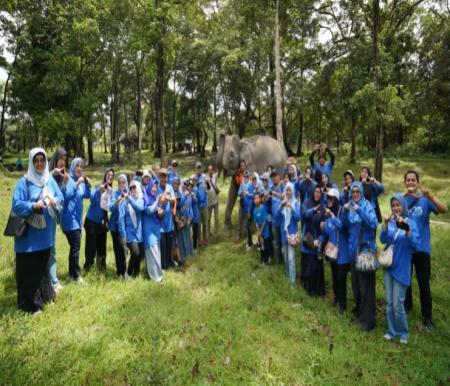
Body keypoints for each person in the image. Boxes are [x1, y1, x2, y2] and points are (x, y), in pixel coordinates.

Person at [12, 148, 63, 313]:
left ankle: (45, 297)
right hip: (28, 239)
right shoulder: (24, 182)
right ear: (31, 162)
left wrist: (55, 201)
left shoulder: (50, 180)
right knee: (29, 271)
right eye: (36, 160)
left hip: (46, 235)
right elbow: (16, 204)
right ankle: (28, 305)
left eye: (42, 160)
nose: (40, 163)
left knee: (42, 269)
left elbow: (61, 197)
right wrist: (32, 205)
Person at [403, 170, 448, 330]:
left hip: (422, 248)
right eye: (408, 180)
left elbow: (444, 210)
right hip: (407, 248)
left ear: (418, 182)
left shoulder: (425, 200)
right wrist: (404, 195)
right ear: (405, 183)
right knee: (405, 280)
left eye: (413, 180)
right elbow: (393, 215)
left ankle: (427, 317)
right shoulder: (402, 200)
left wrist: (431, 196)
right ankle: (407, 307)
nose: (410, 182)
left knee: (423, 283)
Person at [380, 194, 419, 344]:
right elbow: (383, 240)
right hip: (389, 266)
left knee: (398, 303)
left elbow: (415, 246)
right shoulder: (390, 222)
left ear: (403, 206)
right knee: (389, 302)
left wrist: (407, 229)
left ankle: (403, 333)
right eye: (393, 205)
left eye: (398, 205)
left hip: (402, 268)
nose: (395, 208)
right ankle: (391, 331)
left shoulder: (411, 223)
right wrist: (385, 224)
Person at [342, 181, 378, 331]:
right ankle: (360, 311)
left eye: (358, 192)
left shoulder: (367, 206)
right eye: (353, 192)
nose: (355, 194)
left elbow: (374, 224)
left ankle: (367, 321)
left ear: (362, 192)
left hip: (366, 252)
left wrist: (360, 211)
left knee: (366, 288)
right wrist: (344, 211)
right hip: (353, 252)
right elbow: (344, 226)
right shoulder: (349, 206)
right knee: (356, 286)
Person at [319, 188, 350, 314]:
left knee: (341, 279)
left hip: (343, 253)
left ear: (336, 199)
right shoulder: (328, 213)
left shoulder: (342, 211)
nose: (329, 200)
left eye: (331, 198)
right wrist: (323, 228)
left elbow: (342, 227)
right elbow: (328, 232)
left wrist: (331, 216)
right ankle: (337, 299)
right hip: (332, 252)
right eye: (328, 198)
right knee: (334, 277)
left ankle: (343, 305)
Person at [60, 157, 91, 283]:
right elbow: (64, 197)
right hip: (68, 220)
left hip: (77, 221)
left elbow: (86, 195)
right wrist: (76, 184)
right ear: (73, 167)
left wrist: (88, 185)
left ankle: (72, 273)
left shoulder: (81, 182)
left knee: (74, 247)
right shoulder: (68, 180)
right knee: (76, 246)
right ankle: (75, 276)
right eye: (77, 166)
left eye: (82, 166)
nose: (80, 168)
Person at [84, 168, 114, 271]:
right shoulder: (98, 187)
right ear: (105, 176)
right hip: (92, 222)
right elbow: (92, 199)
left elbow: (111, 207)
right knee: (91, 248)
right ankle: (88, 267)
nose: (110, 177)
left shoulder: (111, 191)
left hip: (102, 223)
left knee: (102, 248)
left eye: (112, 176)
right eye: (108, 175)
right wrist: (98, 191)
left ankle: (101, 267)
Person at [48, 147, 68, 292]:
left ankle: (53, 281)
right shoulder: (47, 173)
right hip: (40, 215)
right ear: (55, 159)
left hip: (53, 216)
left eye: (65, 160)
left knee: (52, 247)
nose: (63, 162)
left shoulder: (62, 176)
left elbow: (62, 198)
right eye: (61, 159)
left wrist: (65, 183)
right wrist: (51, 174)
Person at [301, 186, 325, 296]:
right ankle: (307, 290)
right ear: (312, 192)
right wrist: (313, 210)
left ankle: (317, 291)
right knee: (308, 265)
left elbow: (324, 225)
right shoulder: (306, 202)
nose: (317, 194)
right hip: (308, 240)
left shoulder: (323, 206)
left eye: (319, 192)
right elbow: (304, 215)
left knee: (317, 267)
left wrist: (320, 240)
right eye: (315, 191)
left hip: (318, 242)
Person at [119, 180, 145, 278]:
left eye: (134, 187)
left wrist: (129, 199)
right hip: (129, 233)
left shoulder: (141, 199)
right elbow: (121, 219)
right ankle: (128, 274)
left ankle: (136, 274)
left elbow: (139, 208)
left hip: (139, 233)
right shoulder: (124, 202)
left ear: (138, 187)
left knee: (139, 256)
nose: (132, 189)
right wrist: (123, 235)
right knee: (135, 253)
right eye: (130, 187)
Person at [280, 182, 301, 287]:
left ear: (292, 191)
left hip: (292, 234)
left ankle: (293, 283)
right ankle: (288, 277)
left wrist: (292, 208)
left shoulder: (296, 203)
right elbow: (277, 216)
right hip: (284, 234)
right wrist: (280, 207)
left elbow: (298, 218)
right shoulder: (283, 202)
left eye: (290, 190)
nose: (288, 192)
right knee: (286, 257)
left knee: (291, 259)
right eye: (286, 190)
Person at [143, 181, 164, 283]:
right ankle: (156, 278)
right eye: (153, 187)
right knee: (152, 252)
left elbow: (158, 213)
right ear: (149, 187)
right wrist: (157, 203)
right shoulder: (145, 198)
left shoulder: (155, 198)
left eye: (156, 187)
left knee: (156, 252)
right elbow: (149, 211)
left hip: (156, 229)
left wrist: (161, 212)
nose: (154, 189)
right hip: (148, 230)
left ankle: (157, 274)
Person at [109, 174, 128, 277]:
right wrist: (117, 201)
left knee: (123, 249)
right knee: (117, 249)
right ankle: (119, 271)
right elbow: (110, 208)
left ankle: (124, 270)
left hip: (125, 226)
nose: (121, 184)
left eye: (123, 182)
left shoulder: (128, 193)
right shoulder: (114, 194)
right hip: (114, 226)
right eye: (119, 182)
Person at [157, 168, 177, 269]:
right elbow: (156, 202)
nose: (163, 178)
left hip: (169, 223)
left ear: (167, 177)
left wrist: (166, 198)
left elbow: (174, 199)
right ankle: (163, 265)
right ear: (159, 177)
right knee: (162, 245)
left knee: (169, 244)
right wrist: (161, 201)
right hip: (160, 223)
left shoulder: (169, 187)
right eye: (161, 176)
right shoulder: (156, 188)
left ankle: (169, 263)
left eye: (165, 176)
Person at [176, 179, 195, 262]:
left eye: (188, 185)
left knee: (188, 237)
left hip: (188, 219)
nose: (186, 187)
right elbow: (179, 205)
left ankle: (190, 254)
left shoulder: (189, 195)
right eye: (185, 185)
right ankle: (183, 256)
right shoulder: (180, 194)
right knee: (182, 238)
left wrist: (191, 216)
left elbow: (190, 206)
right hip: (182, 219)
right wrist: (185, 195)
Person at [253, 192, 273, 265]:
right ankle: (263, 260)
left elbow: (265, 220)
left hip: (265, 232)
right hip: (260, 233)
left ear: (260, 199)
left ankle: (267, 260)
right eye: (254, 198)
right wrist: (258, 232)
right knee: (261, 247)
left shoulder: (263, 208)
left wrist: (261, 231)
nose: (256, 200)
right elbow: (256, 222)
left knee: (266, 246)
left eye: (257, 198)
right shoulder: (254, 211)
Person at [269, 170, 285, 264]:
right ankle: (279, 262)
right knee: (276, 243)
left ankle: (285, 260)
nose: (274, 178)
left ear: (279, 176)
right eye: (272, 176)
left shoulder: (283, 186)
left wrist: (274, 194)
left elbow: (284, 197)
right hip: (274, 220)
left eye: (275, 176)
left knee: (284, 242)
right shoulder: (271, 188)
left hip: (283, 219)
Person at [195, 162, 209, 247]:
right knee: (198, 223)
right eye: (197, 168)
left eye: (200, 168)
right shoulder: (193, 178)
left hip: (204, 204)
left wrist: (206, 183)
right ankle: (199, 240)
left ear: (202, 168)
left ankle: (205, 239)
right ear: (195, 169)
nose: (199, 169)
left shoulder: (205, 177)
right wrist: (196, 183)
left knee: (205, 223)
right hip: (197, 205)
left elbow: (209, 188)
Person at [206, 165, 220, 240]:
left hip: (216, 202)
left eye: (211, 170)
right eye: (209, 170)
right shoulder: (206, 179)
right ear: (208, 171)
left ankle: (216, 233)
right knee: (208, 219)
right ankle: (208, 233)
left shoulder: (215, 176)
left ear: (213, 170)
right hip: (208, 202)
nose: (210, 171)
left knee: (216, 218)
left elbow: (219, 171)